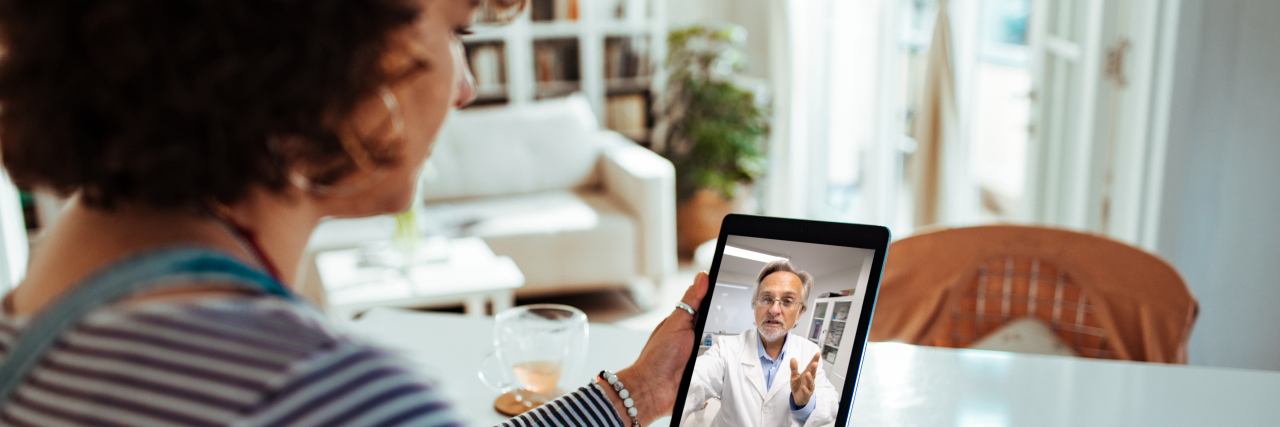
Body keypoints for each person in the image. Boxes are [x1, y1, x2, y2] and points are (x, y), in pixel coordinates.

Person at [0, 0, 707, 426]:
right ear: (331, 42)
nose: (463, 86)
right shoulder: (320, 391)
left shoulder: (38, 316)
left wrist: (635, 391)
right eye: (457, 30)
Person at [683, 260, 838, 427]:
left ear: (799, 311)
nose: (774, 310)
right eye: (766, 299)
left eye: (787, 301)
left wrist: (805, 403)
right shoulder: (726, 348)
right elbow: (692, 383)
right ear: (755, 305)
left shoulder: (809, 352)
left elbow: (831, 405)